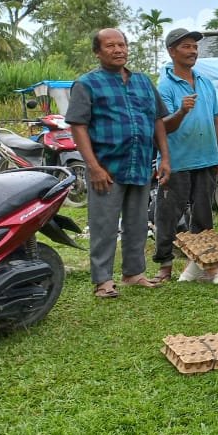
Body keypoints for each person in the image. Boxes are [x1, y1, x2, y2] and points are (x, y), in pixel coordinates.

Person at [67, 28, 171, 298]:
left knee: (137, 222)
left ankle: (133, 274)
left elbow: (157, 120)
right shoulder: (86, 84)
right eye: (110, 46)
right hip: (106, 168)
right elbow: (78, 126)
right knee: (104, 225)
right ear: (97, 52)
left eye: (121, 45)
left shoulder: (143, 82)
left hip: (140, 164)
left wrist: (165, 157)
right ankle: (103, 280)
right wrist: (93, 167)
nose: (118, 50)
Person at [154, 28, 218, 282]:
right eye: (186, 46)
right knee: (168, 215)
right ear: (172, 52)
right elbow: (162, 126)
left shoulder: (205, 82)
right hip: (177, 161)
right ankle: (164, 265)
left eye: (195, 47)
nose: (193, 51)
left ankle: (202, 265)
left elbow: (216, 120)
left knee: (203, 215)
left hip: (206, 158)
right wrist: (182, 111)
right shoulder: (164, 85)